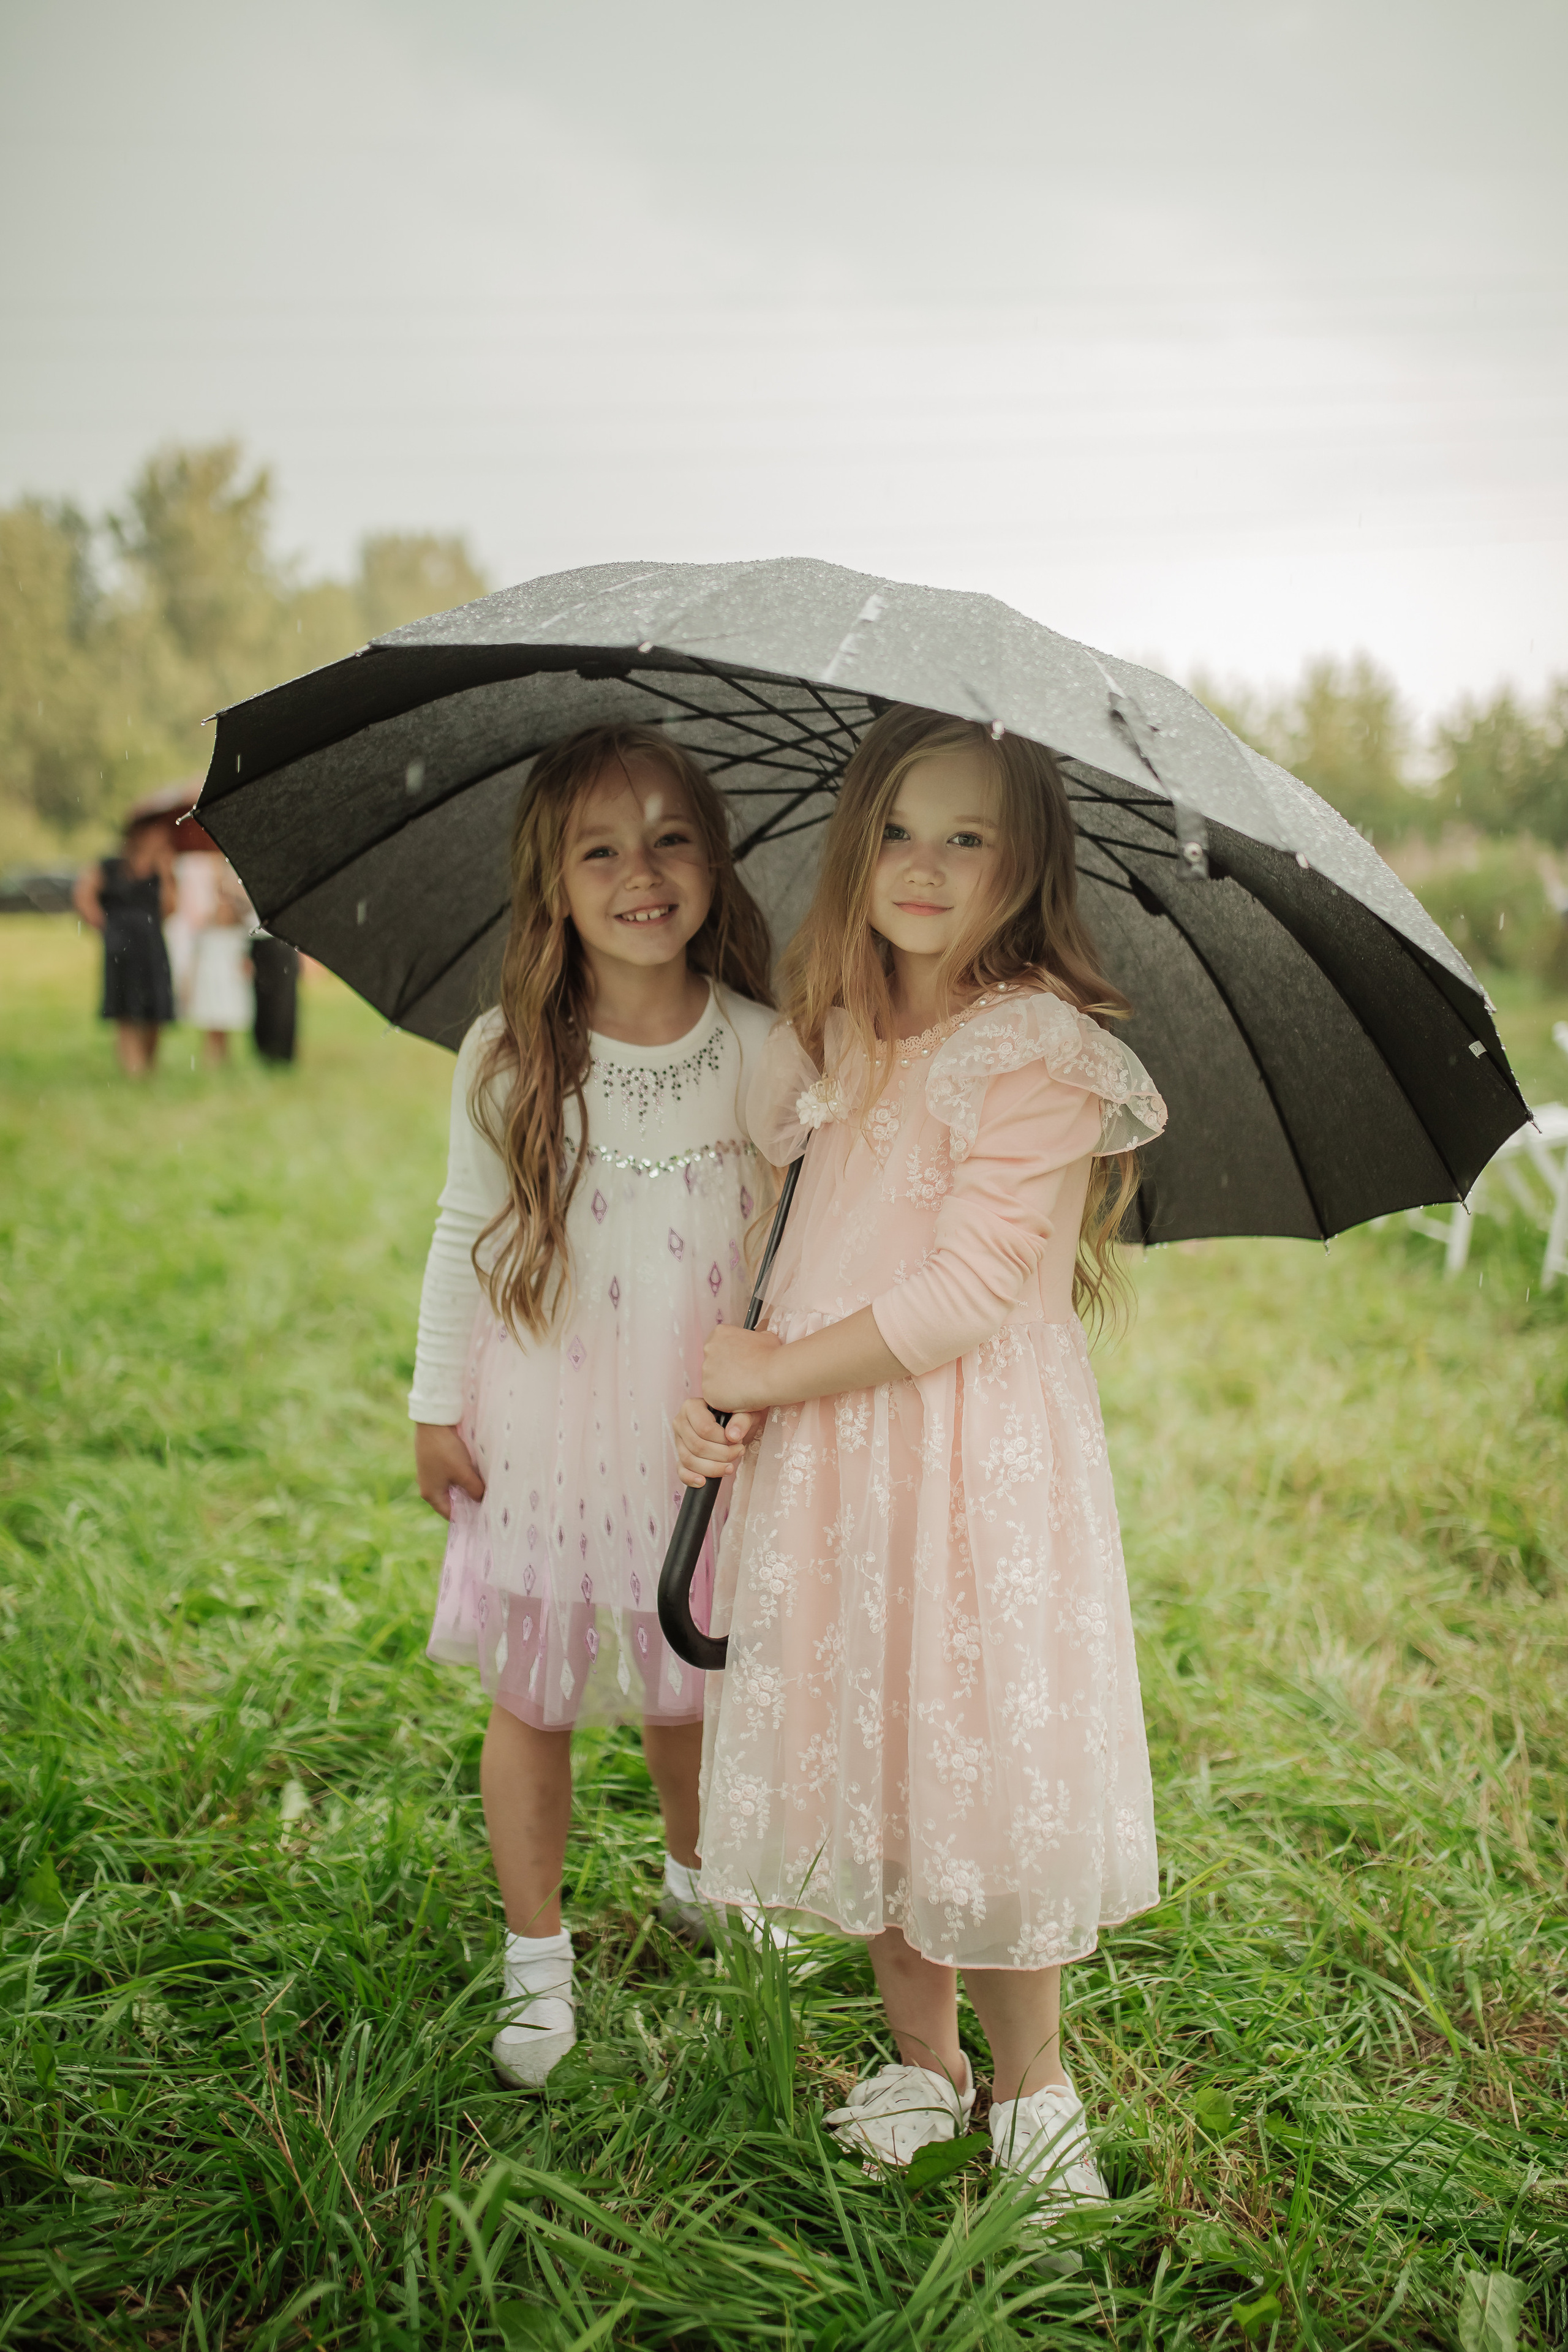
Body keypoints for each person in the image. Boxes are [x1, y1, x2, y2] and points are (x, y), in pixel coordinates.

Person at [674, 704, 1167, 2219]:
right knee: (875, 1749)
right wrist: (729, 1393)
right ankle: (922, 2059)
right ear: (853, 843)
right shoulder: (829, 1036)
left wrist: (774, 1367)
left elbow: (960, 1293)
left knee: (978, 1763)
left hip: (968, 1472)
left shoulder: (1031, 1047)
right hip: (836, 1458)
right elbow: (790, 1242)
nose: (925, 865)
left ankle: (1032, 2088)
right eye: (898, 828)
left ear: (1024, 868)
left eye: (968, 838)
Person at [409, 722, 776, 2090]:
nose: (641, 871)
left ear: (716, 861)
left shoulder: (761, 1046)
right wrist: (433, 1400)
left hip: (693, 1425)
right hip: (547, 1418)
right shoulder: (508, 1055)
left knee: (693, 1683)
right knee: (536, 1693)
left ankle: (698, 1880)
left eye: (672, 836)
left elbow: (797, 1224)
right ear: (551, 883)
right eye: (601, 847)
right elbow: (463, 1226)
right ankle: (536, 1962)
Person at [74, 816, 177, 1076]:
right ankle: (133, 1070)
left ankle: (149, 1067)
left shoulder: (163, 870)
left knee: (156, 1007)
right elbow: (84, 894)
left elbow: (171, 910)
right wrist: (104, 927)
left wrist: (166, 873)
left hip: (152, 945)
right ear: (140, 833)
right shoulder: (110, 866)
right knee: (126, 1008)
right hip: (120, 945)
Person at [186, 859, 255, 1065]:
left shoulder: (239, 917)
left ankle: (224, 1059)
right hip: (210, 975)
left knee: (226, 1018)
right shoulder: (206, 918)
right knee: (212, 1020)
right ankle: (211, 1060)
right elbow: (196, 950)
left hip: (228, 976)